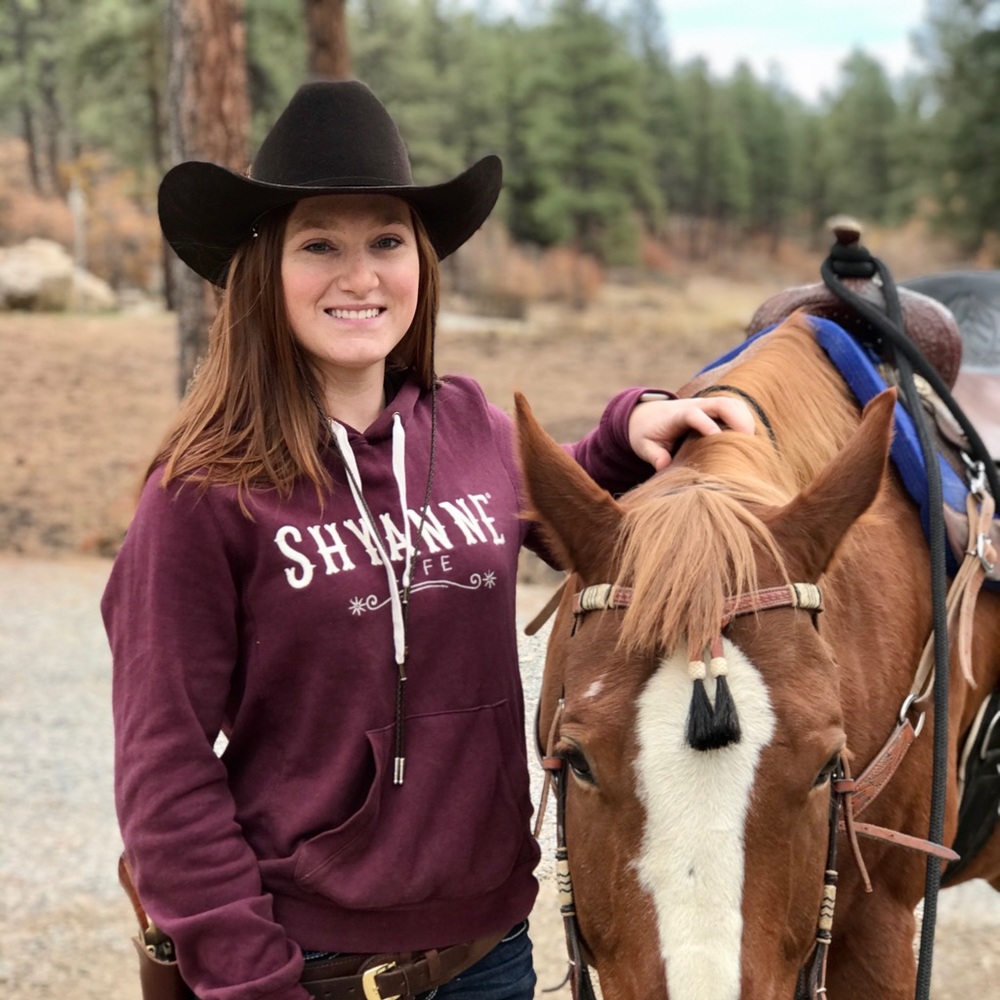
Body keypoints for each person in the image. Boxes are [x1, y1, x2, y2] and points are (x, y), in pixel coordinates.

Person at [102, 79, 754, 1000]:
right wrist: (252, 983)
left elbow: (557, 498)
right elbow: (162, 774)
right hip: (311, 968)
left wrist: (629, 431)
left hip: (490, 956)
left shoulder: (468, 425)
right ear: (263, 269)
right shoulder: (202, 495)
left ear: (423, 263)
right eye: (319, 244)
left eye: (386, 241)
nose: (359, 275)